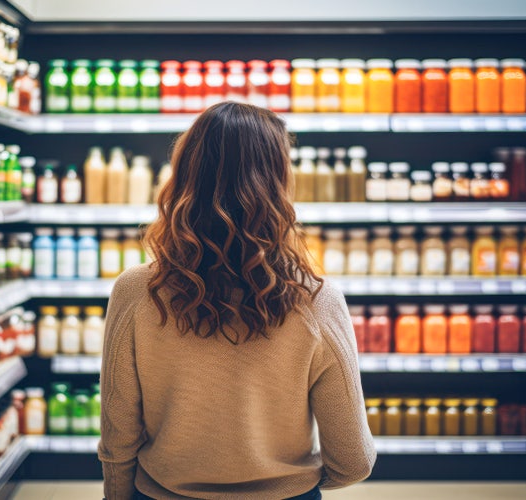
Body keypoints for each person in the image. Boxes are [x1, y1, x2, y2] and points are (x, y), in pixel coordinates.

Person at [99, 102, 376, 500]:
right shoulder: (317, 300)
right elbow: (353, 460)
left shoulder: (137, 291)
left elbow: (118, 432)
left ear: (184, 177)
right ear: (278, 182)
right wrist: (293, 484)